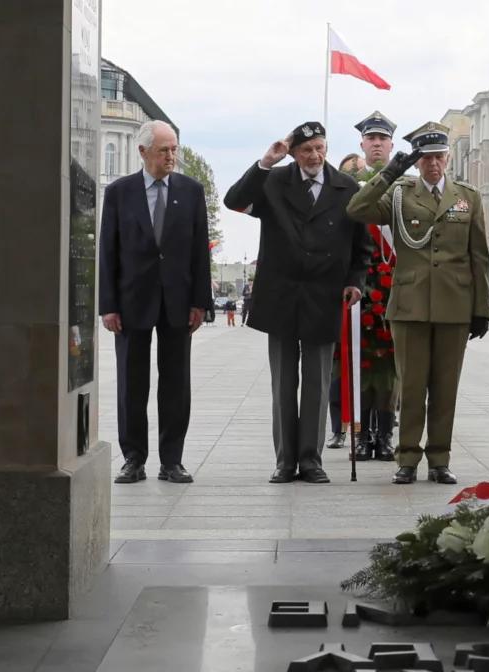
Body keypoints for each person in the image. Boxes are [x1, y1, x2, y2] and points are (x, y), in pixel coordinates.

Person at [224, 121, 371, 484]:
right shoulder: (274, 181)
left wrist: (355, 283)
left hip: (324, 294)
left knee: (318, 383)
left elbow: (361, 246)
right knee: (283, 382)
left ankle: (311, 460)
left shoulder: (346, 187)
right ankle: (285, 461)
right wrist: (265, 163)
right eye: (306, 150)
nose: (315, 156)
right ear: (292, 153)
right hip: (282, 295)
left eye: (320, 148)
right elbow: (235, 201)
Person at [346, 121, 489, 485]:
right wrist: (389, 173)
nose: (433, 164)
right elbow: (357, 209)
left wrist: (481, 310)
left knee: (445, 388)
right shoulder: (399, 193)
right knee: (410, 386)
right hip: (410, 305)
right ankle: (407, 457)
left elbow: (479, 256)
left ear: (448, 158)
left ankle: (439, 459)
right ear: (416, 161)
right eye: (426, 158)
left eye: (439, 156)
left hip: (454, 306)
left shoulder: (467, 197)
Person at [98, 120, 212, 485]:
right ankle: (133, 459)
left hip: (178, 301)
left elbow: (200, 251)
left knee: (176, 383)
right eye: (164, 150)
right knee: (131, 383)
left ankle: (172, 460)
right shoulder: (119, 192)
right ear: (143, 151)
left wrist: (200, 302)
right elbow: (108, 251)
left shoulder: (191, 191)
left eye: (174, 149)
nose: (171, 156)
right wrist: (108, 305)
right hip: (131, 302)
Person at [347, 110, 400, 462]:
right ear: (362, 144)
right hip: (361, 288)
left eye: (383, 139)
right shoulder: (348, 185)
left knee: (392, 368)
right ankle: (363, 435)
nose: (377, 144)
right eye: (371, 139)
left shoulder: (405, 185)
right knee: (359, 364)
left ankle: (385, 435)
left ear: (392, 145)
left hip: (396, 286)